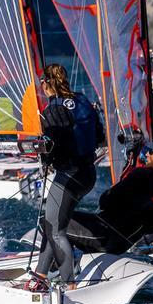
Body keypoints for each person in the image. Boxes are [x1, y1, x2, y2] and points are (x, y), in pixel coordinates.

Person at [33, 64, 102, 285]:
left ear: (45, 84)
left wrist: (46, 159)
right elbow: (99, 136)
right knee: (52, 224)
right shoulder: (82, 100)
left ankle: (69, 283)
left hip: (70, 176)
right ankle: (41, 274)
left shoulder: (52, 110)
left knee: (56, 231)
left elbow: (52, 144)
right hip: (87, 174)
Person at [63, 136, 153, 255]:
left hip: (104, 237)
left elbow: (105, 201)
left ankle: (56, 270)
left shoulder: (145, 175)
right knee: (69, 218)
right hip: (122, 244)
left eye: (150, 152)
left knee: (52, 222)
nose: (146, 154)